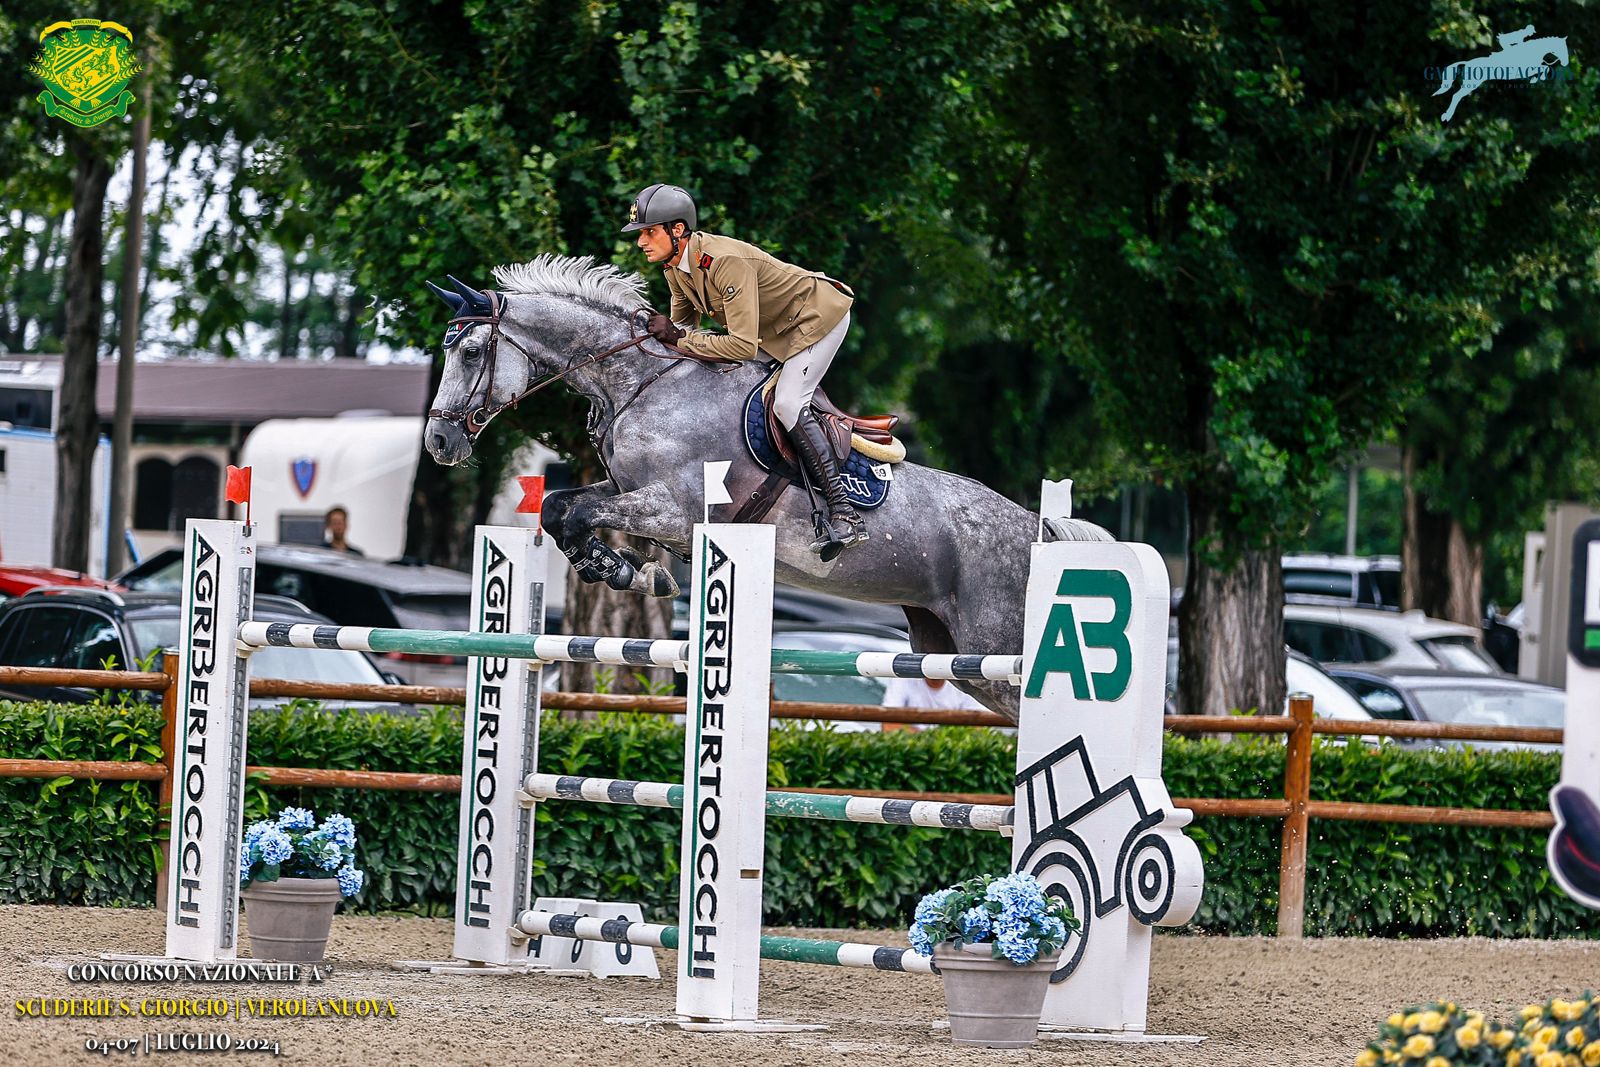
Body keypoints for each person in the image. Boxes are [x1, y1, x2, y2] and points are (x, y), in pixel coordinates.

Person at [622, 183, 867, 556]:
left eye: (649, 231)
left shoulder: (723, 262)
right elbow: (681, 337)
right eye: (640, 233)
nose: (641, 241)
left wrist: (679, 338)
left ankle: (844, 512)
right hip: (774, 333)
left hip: (818, 318)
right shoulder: (675, 268)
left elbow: (739, 346)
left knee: (786, 403)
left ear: (678, 230)